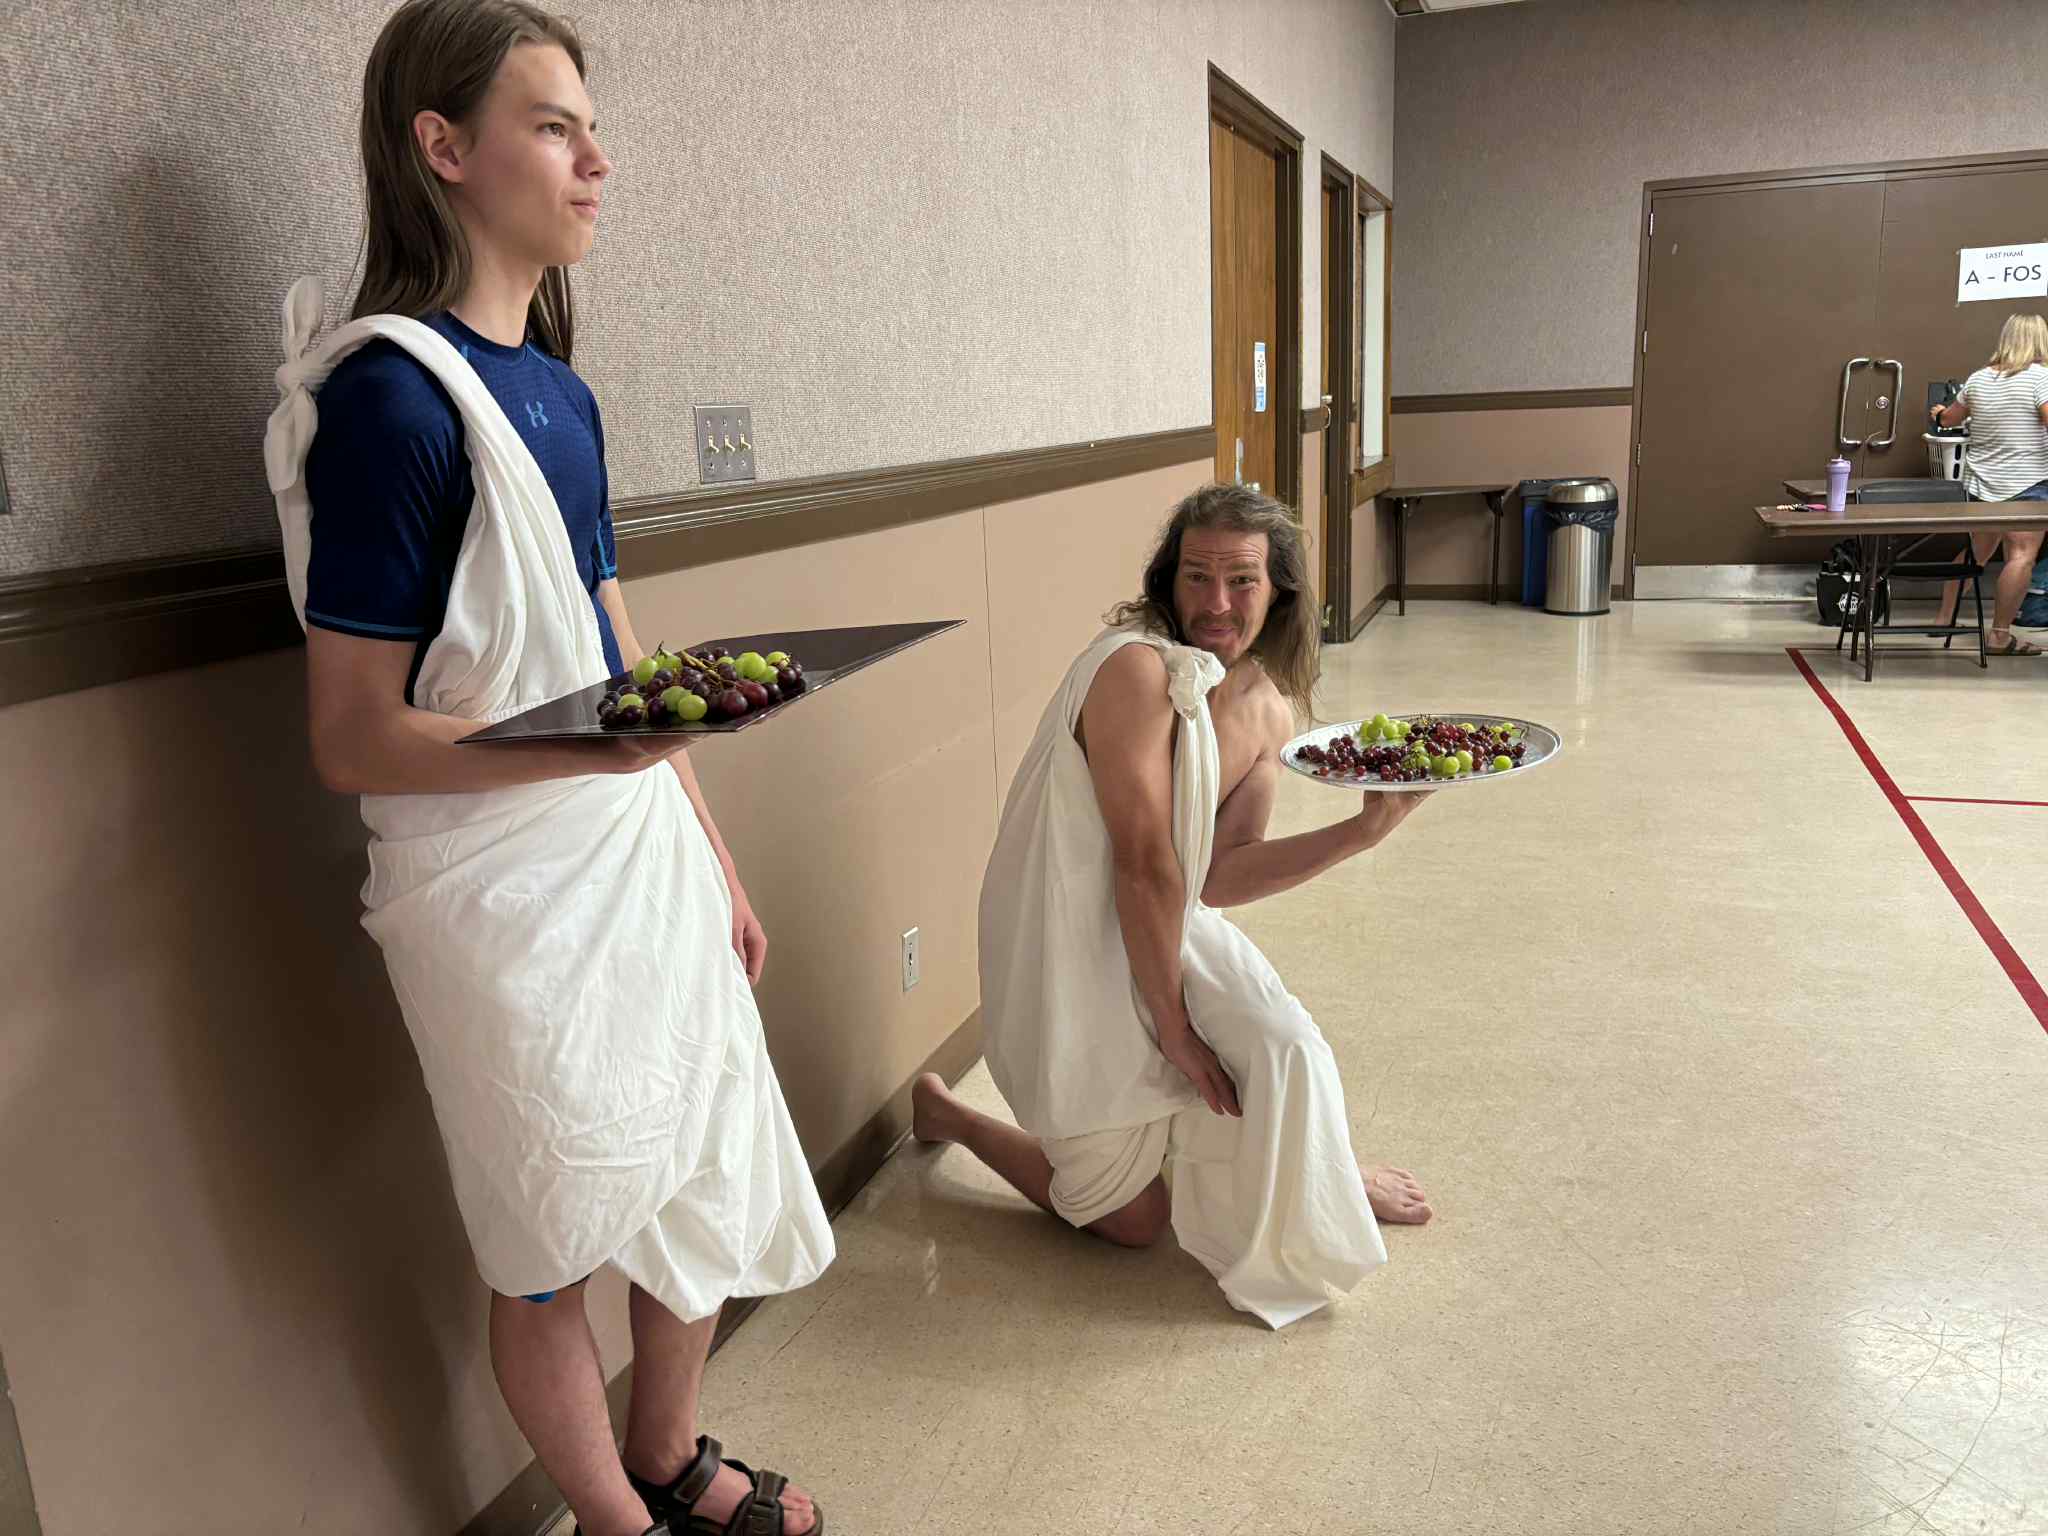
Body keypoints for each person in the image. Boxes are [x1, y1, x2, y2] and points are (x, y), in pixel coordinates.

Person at [262, 4, 830, 1531]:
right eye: (556, 126)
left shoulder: (561, 395)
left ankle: (669, 1448)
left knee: (696, 1158)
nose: (597, 159)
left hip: (631, 849)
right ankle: (619, 1521)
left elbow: (620, 655)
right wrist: (607, 748)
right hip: (498, 892)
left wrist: (708, 849)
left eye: (590, 125)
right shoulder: (387, 402)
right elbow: (349, 734)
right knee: (550, 1227)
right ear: (445, 149)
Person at [914, 483, 1434, 1330]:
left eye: (1241, 581)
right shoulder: (1134, 668)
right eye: (1197, 578)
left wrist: (1358, 835)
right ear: (1168, 578)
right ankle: (953, 1115)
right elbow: (1146, 864)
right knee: (1132, 1222)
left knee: (1287, 1046)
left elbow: (1217, 879)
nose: (1217, 604)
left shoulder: (1268, 706)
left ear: (1283, 591)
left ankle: (1323, 1163)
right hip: (1070, 927)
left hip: (1166, 920)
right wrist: (1176, 1031)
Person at [1929, 312, 2048, 656]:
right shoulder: (2041, 379)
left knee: (1977, 553)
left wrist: (1939, 412)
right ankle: (1999, 637)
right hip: (2028, 484)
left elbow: (1949, 419)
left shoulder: (1979, 379)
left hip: (1982, 485)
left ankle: (1943, 619)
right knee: (2022, 556)